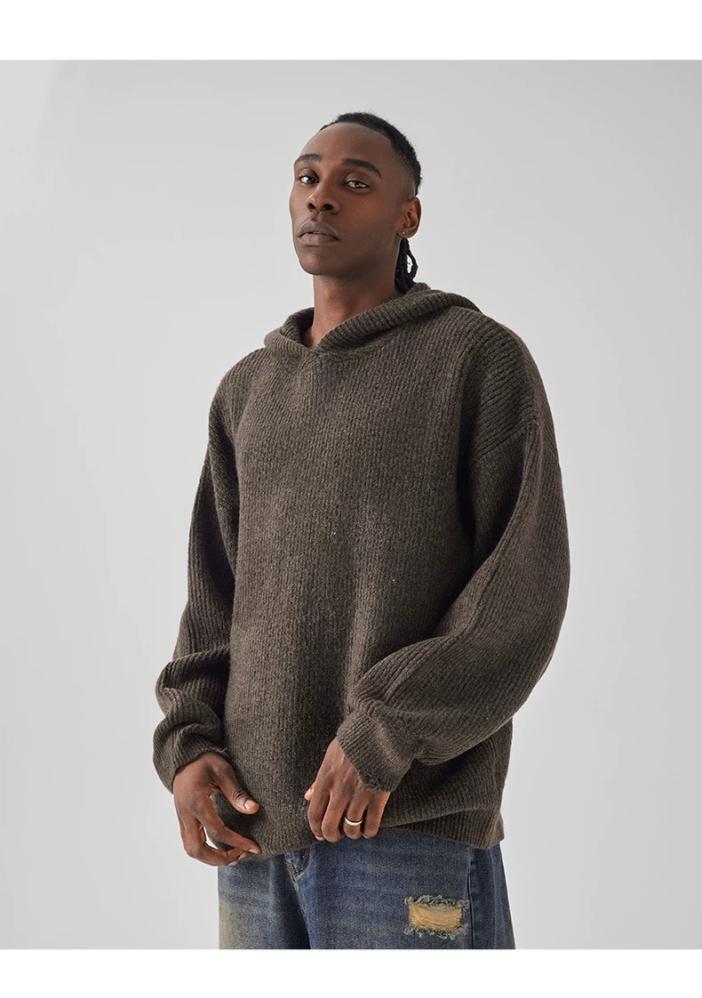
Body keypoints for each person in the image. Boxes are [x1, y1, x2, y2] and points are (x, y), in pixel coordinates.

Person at [152, 111, 571, 949]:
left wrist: (385, 733)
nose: (322, 198)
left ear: (407, 215)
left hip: (405, 823)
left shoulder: (474, 359)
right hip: (255, 836)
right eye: (307, 177)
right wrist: (189, 745)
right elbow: (214, 595)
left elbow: (520, 590)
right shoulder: (248, 390)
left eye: (355, 182)